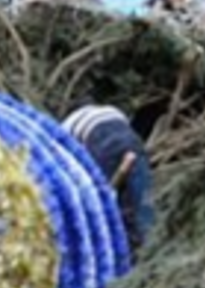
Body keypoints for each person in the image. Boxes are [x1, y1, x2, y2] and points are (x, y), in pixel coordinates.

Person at [61, 104, 155, 258]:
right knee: (142, 204)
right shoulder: (105, 110)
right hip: (130, 138)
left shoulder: (62, 132)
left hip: (98, 139)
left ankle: (129, 257)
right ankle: (150, 249)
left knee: (116, 212)